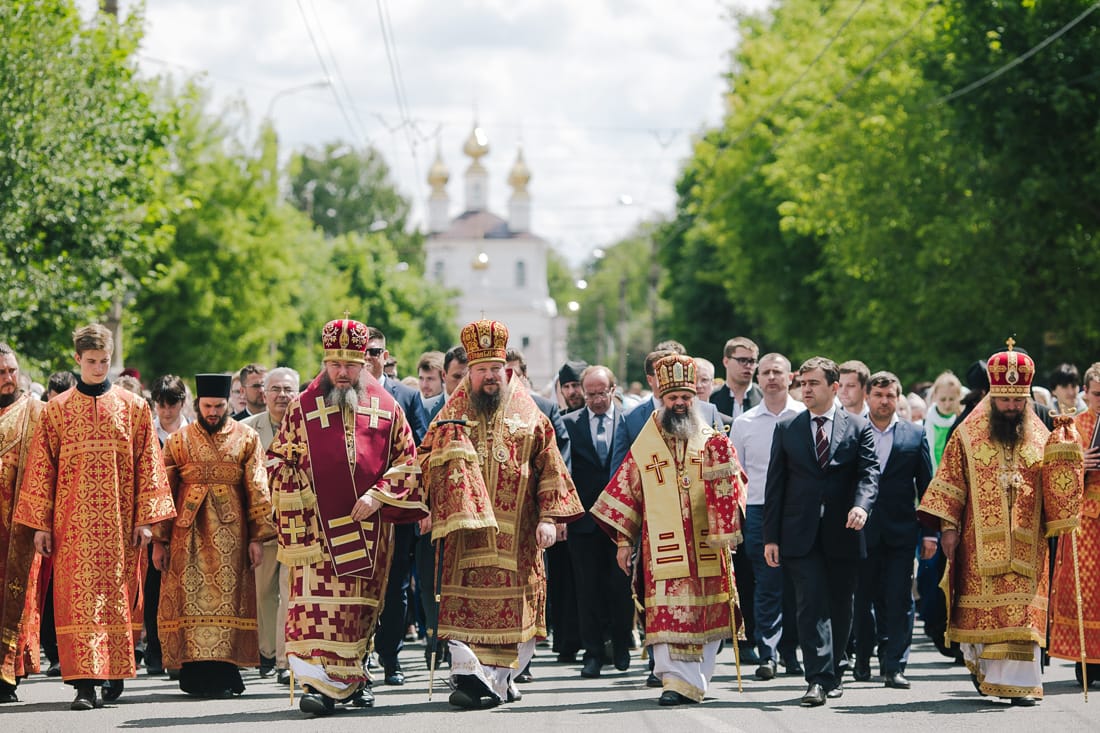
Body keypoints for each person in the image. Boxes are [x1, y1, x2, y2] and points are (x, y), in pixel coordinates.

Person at [418, 318, 582, 709]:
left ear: (506, 370)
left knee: (514, 613)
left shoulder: (531, 416)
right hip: (465, 540)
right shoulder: (451, 416)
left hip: (518, 537)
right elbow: (424, 461)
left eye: (496, 369)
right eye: (481, 370)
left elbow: (551, 467)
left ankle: (494, 681)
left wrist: (549, 518)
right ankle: (479, 680)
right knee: (466, 615)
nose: (490, 377)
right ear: (468, 374)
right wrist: (429, 505)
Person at [267, 316, 426, 715]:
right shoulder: (303, 407)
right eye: (334, 364)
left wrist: (378, 495)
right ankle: (317, 685)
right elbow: (275, 461)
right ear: (325, 362)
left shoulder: (387, 408)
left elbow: (408, 462)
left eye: (350, 365)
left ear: (364, 363)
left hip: (367, 530)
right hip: (316, 535)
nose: (341, 372)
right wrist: (303, 487)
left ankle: (353, 679)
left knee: (357, 611)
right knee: (314, 612)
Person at [14, 323, 175, 711]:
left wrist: (145, 520)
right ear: (77, 360)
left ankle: (115, 671)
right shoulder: (57, 409)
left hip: (121, 527)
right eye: (91, 362)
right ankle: (83, 685)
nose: (99, 368)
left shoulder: (133, 407)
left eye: (104, 361)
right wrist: (40, 525)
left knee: (118, 601)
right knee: (77, 603)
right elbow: (42, 469)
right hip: (73, 528)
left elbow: (148, 465)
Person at [917, 341, 1081, 706]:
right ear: (992, 397)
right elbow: (950, 482)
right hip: (978, 542)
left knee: (1022, 612)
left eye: (1017, 401)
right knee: (985, 612)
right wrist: (947, 529)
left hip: (1028, 541)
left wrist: (1067, 451)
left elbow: (1058, 485)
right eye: (1004, 401)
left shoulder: (1041, 435)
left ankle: (1022, 685)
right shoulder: (967, 435)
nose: (1011, 408)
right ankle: (987, 674)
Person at [591, 354, 747, 705]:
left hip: (707, 544)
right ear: (662, 399)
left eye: (685, 398)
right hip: (661, 549)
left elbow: (735, 488)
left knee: (707, 613)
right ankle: (675, 682)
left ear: (694, 400)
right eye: (673, 398)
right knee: (666, 611)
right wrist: (622, 542)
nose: (679, 404)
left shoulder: (712, 439)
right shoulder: (645, 445)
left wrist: (728, 522)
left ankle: (698, 680)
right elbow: (626, 493)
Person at [762, 356, 879, 707]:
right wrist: (771, 537)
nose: (806, 389)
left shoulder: (859, 427)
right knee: (810, 603)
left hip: (843, 529)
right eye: (803, 383)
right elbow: (775, 487)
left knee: (841, 605)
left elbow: (869, 474)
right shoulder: (788, 429)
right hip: (799, 533)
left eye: (814, 383)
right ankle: (817, 678)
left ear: (834, 387)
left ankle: (836, 667)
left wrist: (861, 505)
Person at [152, 373, 276, 698]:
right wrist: (159, 541)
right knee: (190, 602)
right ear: (197, 404)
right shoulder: (178, 440)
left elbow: (258, 489)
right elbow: (164, 491)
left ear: (227, 405)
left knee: (229, 603)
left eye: (219, 406)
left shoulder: (247, 438)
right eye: (207, 406)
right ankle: (192, 675)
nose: (213, 412)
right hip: (186, 535)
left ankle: (226, 673)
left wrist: (256, 538)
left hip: (232, 536)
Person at [851, 371, 933, 689]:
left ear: (898, 398)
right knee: (863, 597)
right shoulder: (854, 431)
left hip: (901, 530)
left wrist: (930, 533)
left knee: (899, 598)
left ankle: (895, 664)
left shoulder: (915, 435)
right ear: (868, 397)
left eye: (890, 396)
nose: (884, 401)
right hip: (860, 530)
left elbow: (926, 487)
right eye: (878, 395)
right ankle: (861, 659)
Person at [730, 353, 804, 681]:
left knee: (799, 584)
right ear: (758, 379)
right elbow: (737, 477)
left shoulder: (805, 415)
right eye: (765, 372)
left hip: (798, 511)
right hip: (759, 511)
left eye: (778, 372)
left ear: (791, 377)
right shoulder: (744, 423)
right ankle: (769, 653)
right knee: (767, 584)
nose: (771, 377)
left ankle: (793, 652)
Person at [561, 365, 633, 679]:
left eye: (601, 393)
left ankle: (620, 645)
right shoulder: (568, 424)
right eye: (589, 394)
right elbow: (563, 471)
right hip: (584, 520)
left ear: (613, 390)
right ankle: (592, 653)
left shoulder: (629, 422)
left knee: (620, 587)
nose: (595, 400)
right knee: (587, 589)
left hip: (620, 521)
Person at [241, 367, 300, 684]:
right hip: (261, 527)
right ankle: (265, 652)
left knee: (289, 593)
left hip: (297, 526)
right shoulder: (246, 430)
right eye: (275, 389)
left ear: (298, 394)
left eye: (288, 390)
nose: (282, 395)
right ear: (263, 394)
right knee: (263, 594)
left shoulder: (307, 428)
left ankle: (284, 660)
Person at [1046, 361, 1100, 684]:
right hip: (1085, 524)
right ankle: (1086, 660)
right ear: (1086, 392)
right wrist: (1081, 462)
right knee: (1087, 592)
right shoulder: (1073, 426)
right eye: (1097, 394)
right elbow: (1056, 476)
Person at [0, 343, 47, 703]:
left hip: (18, 525)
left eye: (12, 370)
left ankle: (9, 674)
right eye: (1, 372)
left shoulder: (35, 412)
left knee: (17, 597)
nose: (9, 378)